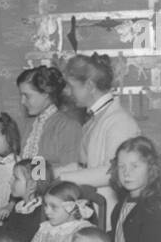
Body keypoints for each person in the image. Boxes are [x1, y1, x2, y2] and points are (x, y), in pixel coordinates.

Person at [56, 54, 141, 207]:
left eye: (71, 86)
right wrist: (53, 174)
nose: (67, 92)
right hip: (93, 208)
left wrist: (61, 178)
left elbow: (111, 172)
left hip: (109, 211)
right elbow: (85, 166)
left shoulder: (120, 121)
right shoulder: (93, 119)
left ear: (89, 86)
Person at [16, 65, 84, 171]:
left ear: (45, 94)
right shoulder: (29, 124)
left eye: (27, 96)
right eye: (21, 95)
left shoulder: (67, 127)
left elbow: (70, 172)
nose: (22, 101)